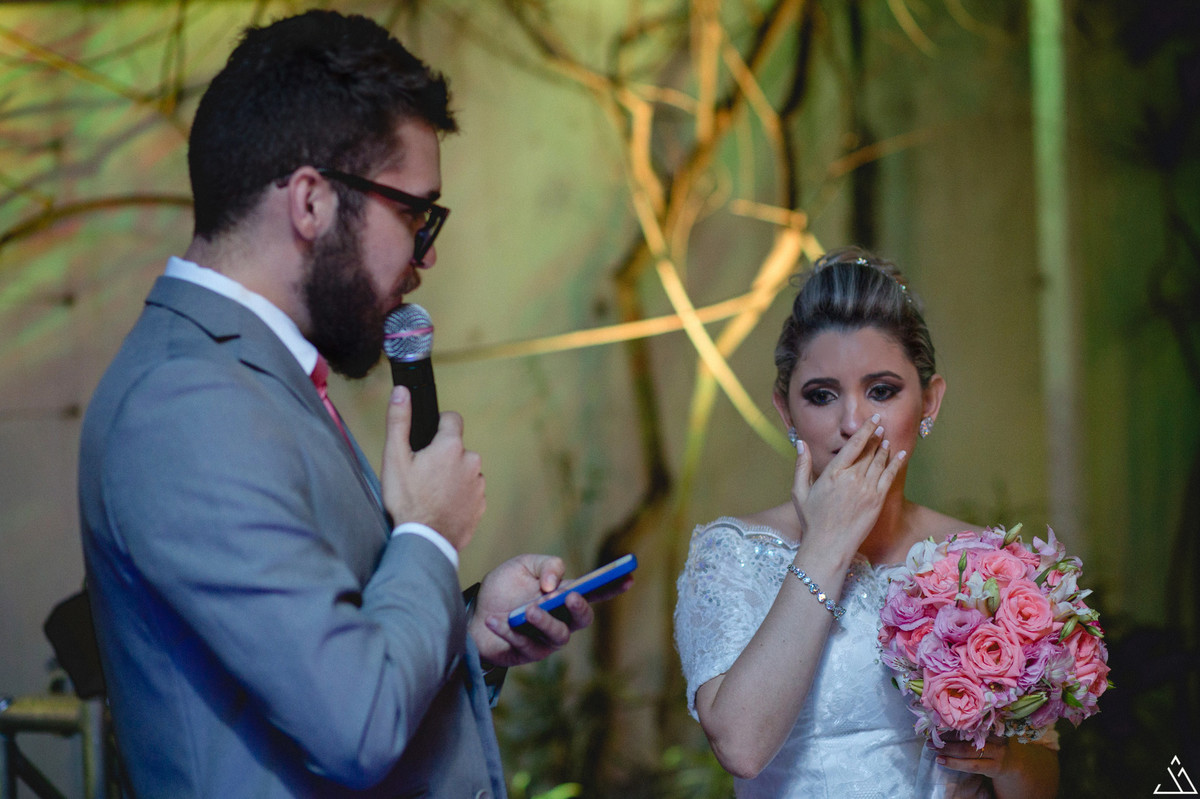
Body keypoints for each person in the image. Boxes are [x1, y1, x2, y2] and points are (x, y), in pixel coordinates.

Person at [77, 11, 626, 798]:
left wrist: (465, 628)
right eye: (415, 212)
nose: (428, 252)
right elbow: (356, 723)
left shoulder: (253, 376)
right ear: (311, 203)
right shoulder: (184, 404)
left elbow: (322, 655)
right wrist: (430, 536)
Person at [673, 247, 1059, 798]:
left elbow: (1041, 784)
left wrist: (1008, 761)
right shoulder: (732, 553)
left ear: (929, 402)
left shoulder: (985, 564)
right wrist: (826, 544)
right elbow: (740, 748)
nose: (853, 423)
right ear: (786, 412)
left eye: (882, 391)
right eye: (822, 395)